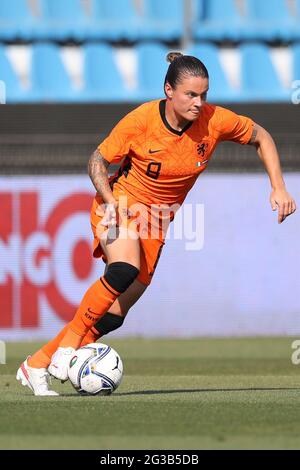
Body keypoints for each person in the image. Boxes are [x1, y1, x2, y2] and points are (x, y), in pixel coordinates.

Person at [16, 52, 296, 396]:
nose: (198, 103)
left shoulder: (215, 121)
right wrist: (110, 202)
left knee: (115, 313)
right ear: (169, 90)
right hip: (119, 206)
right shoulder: (141, 121)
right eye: (190, 95)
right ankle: (67, 349)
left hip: (157, 221)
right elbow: (97, 161)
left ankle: (35, 365)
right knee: (123, 269)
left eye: (203, 95)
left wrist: (279, 186)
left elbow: (261, 136)